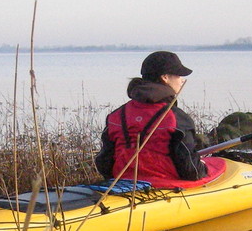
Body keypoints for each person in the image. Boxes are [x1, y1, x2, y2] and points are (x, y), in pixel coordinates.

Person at [95, 51, 226, 188]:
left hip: (122, 183)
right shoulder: (176, 118)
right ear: (165, 77)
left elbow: (104, 164)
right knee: (219, 164)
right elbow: (191, 171)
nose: (182, 80)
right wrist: (202, 167)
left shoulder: (117, 115)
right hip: (164, 184)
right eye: (178, 75)